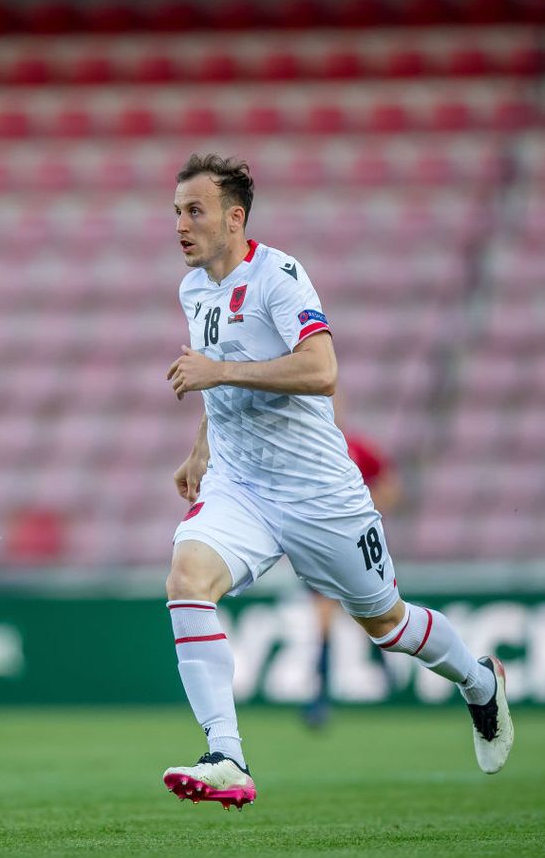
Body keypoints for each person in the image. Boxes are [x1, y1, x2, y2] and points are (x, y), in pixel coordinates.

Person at [161, 153, 513, 810]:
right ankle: (226, 755)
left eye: (194, 210)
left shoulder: (279, 277)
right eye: (177, 212)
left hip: (319, 493)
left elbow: (321, 370)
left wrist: (217, 374)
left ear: (234, 218)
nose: (180, 224)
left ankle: (478, 681)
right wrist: (199, 449)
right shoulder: (193, 290)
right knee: (185, 581)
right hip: (241, 486)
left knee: (388, 625)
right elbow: (221, 374)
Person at [303, 422, 402, 728]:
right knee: (323, 621)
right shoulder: (307, 450)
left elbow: (391, 489)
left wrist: (362, 510)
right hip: (321, 549)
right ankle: (320, 698)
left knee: (368, 614)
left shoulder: (358, 448)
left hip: (355, 546)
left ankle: (386, 671)